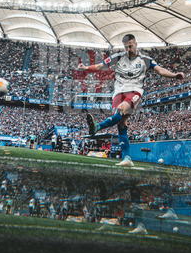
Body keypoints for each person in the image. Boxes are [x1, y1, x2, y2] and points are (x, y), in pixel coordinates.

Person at [77, 34, 184, 166]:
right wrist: (86, 68)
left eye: (131, 46)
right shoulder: (118, 57)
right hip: (118, 93)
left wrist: (174, 75)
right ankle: (127, 158)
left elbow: (160, 70)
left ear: (136, 44)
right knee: (121, 124)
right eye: (126, 47)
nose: (128, 49)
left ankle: (98, 126)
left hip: (134, 91)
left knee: (121, 109)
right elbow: (100, 66)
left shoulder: (145, 60)